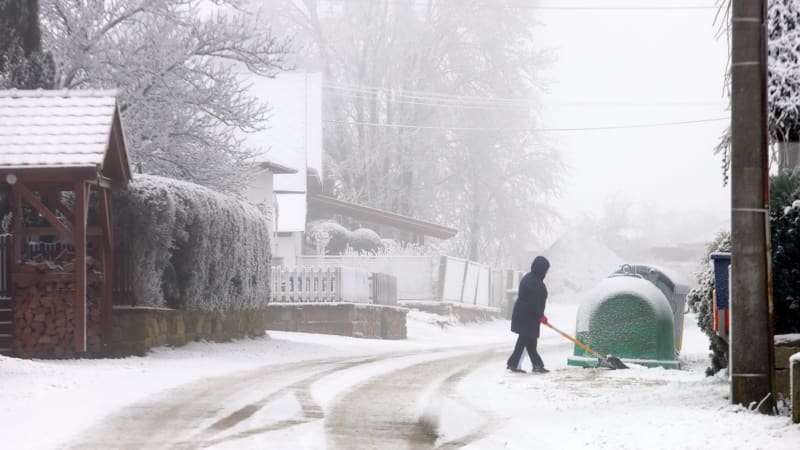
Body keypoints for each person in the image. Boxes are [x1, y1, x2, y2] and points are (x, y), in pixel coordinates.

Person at [506, 255, 550, 373]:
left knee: (530, 343)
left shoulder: (527, 278)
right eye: (546, 270)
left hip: (521, 314)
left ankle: (536, 365)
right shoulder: (538, 285)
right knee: (525, 341)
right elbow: (536, 304)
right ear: (541, 270)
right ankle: (514, 364)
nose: (546, 273)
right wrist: (540, 316)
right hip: (529, 318)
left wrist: (539, 315)